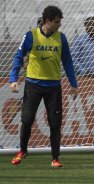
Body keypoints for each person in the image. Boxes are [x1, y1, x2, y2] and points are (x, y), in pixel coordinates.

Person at [9, 5, 78, 167]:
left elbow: (67, 61)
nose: (59, 25)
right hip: (33, 85)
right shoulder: (31, 36)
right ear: (47, 21)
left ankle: (55, 158)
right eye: (56, 22)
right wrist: (13, 79)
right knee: (26, 119)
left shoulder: (62, 38)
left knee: (55, 123)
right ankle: (22, 150)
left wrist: (73, 83)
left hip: (54, 87)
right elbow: (18, 57)